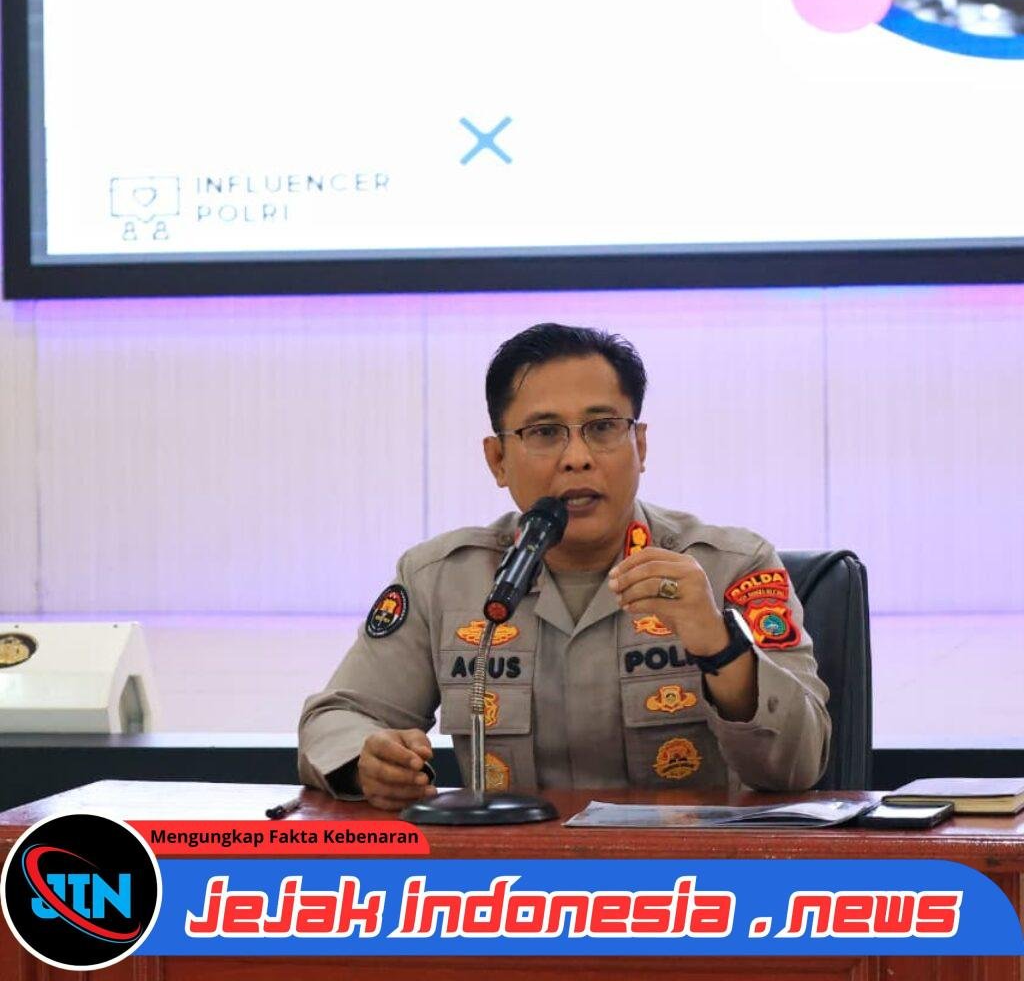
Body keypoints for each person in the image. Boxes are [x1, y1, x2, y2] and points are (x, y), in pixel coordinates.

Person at [298, 324, 831, 810]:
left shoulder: (728, 568)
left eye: (602, 427)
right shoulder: (442, 580)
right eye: (545, 432)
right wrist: (369, 761)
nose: (577, 456)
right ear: (498, 460)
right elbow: (337, 718)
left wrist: (720, 646)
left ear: (640, 444)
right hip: (512, 876)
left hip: (689, 875)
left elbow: (798, 767)